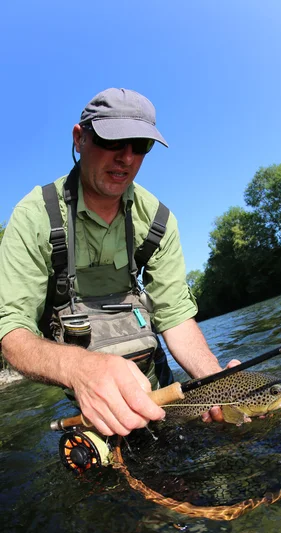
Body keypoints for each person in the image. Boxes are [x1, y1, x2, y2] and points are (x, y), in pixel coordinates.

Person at [0, 88, 236, 436]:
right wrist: (82, 370)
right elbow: (12, 330)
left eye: (140, 146)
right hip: (84, 398)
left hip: (158, 385)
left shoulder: (158, 220)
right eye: (114, 141)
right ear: (79, 139)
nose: (126, 157)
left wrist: (216, 381)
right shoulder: (34, 216)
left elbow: (174, 317)